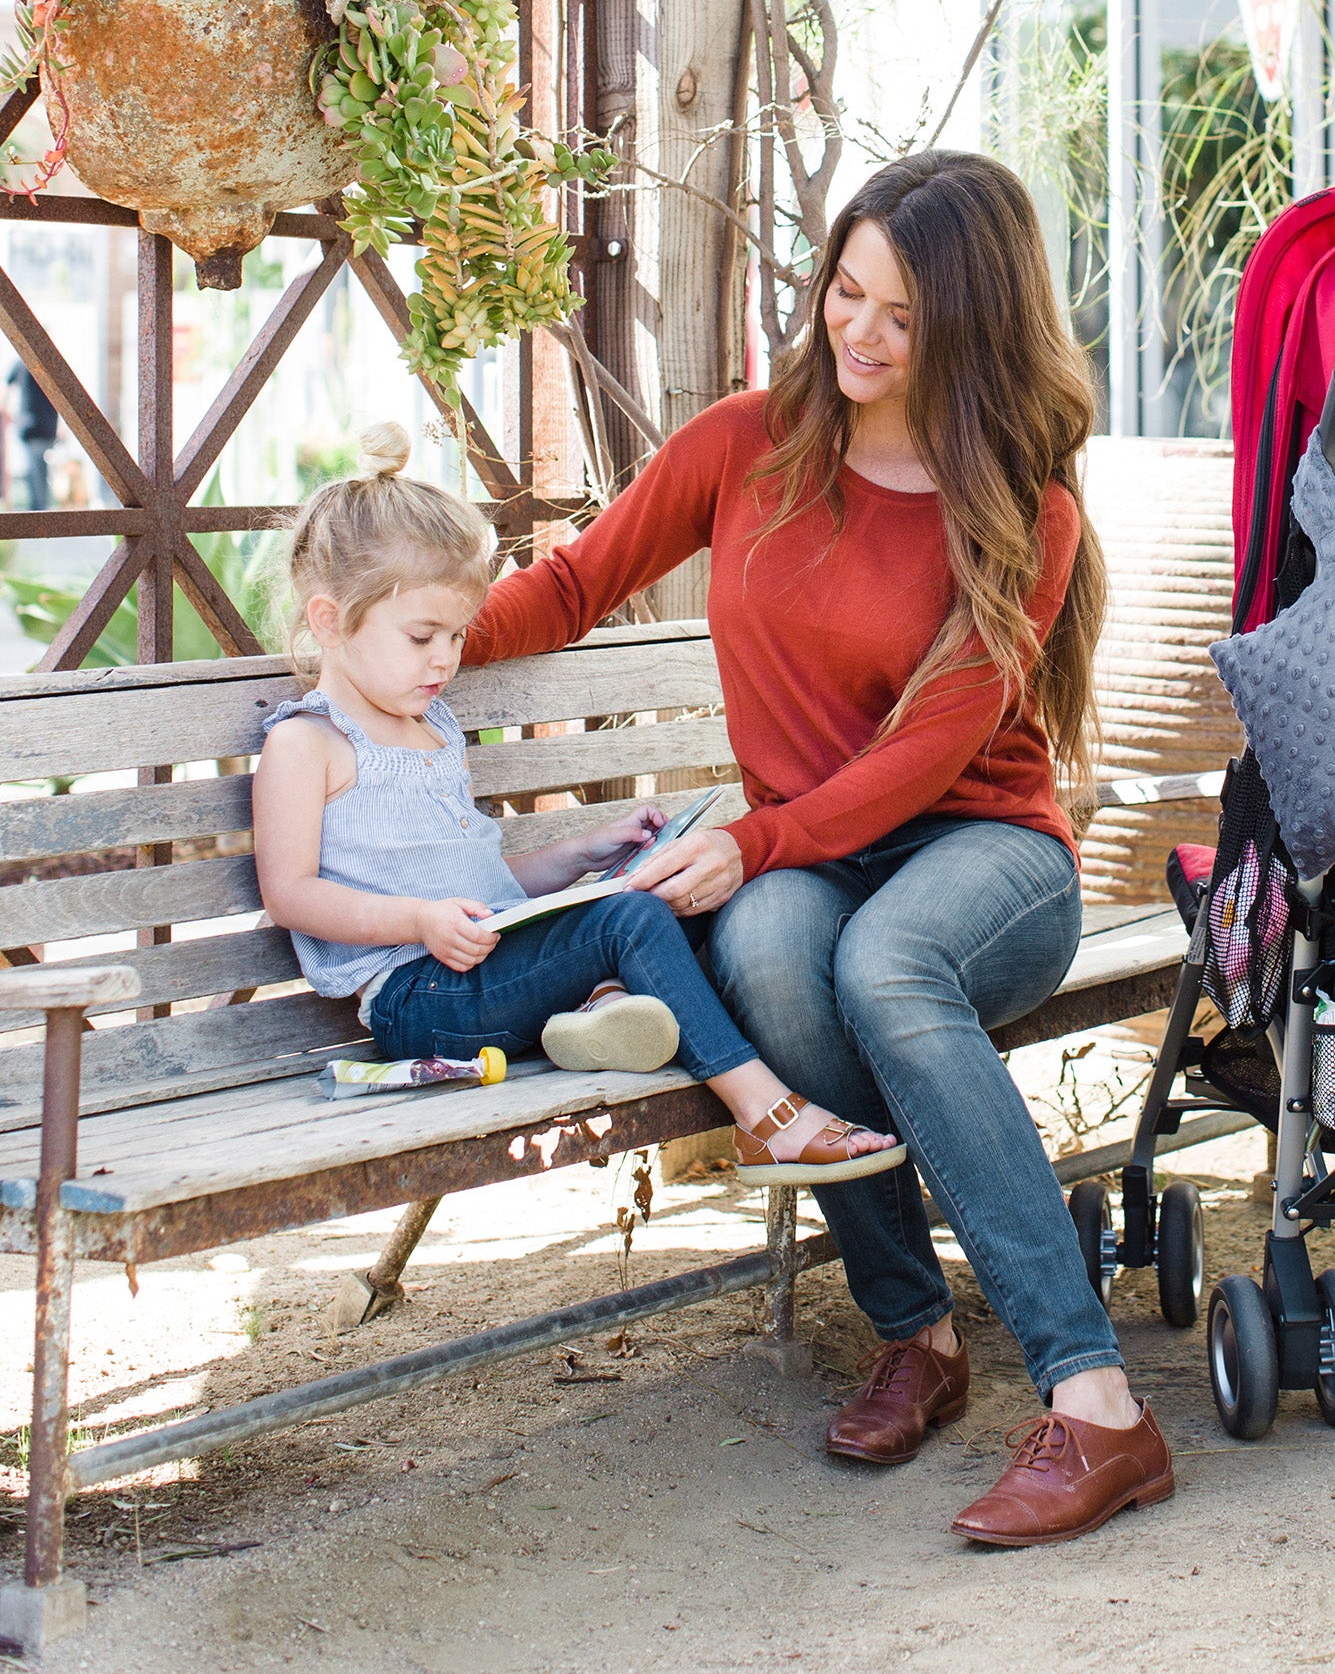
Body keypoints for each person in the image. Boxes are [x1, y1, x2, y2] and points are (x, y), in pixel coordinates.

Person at [462, 149, 1174, 1548]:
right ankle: (918, 1333)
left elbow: (932, 752)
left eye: (902, 316)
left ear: (969, 328)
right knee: (782, 964)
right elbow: (574, 585)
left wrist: (757, 840)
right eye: (848, 291)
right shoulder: (742, 445)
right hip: (808, 861)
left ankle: (1096, 1407)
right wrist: (404, 651)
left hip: (988, 854)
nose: (859, 331)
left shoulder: (1022, 508)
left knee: (887, 965)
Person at [251, 420, 905, 1187]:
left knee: (664, 894)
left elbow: (481, 886)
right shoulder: (309, 744)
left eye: (458, 636)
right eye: (424, 635)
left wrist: (585, 854)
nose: (446, 659)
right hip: (416, 998)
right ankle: (764, 1118)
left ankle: (597, 1013)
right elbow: (289, 894)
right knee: (630, 921)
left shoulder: (431, 726)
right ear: (329, 621)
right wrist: (416, 923)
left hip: (476, 968)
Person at [7, 356, 58, 512]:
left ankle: (39, 514)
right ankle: (40, 513)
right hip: (45, 427)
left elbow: (6, 388)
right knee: (38, 472)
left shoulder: (22, 362)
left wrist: (7, 410)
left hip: (32, 426)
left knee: (36, 473)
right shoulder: (50, 362)